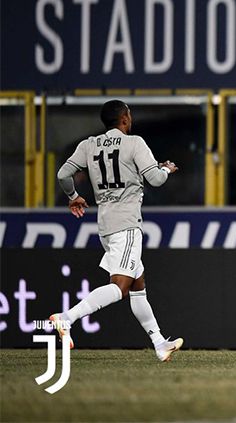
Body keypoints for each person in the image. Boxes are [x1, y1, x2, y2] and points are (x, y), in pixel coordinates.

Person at [51, 100, 183, 362]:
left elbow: (63, 174)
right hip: (127, 224)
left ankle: (159, 343)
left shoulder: (89, 144)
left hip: (106, 224)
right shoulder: (134, 143)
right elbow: (155, 179)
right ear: (124, 119)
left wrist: (74, 196)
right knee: (120, 287)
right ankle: (66, 318)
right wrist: (166, 169)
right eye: (129, 115)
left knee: (138, 285)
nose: (131, 119)